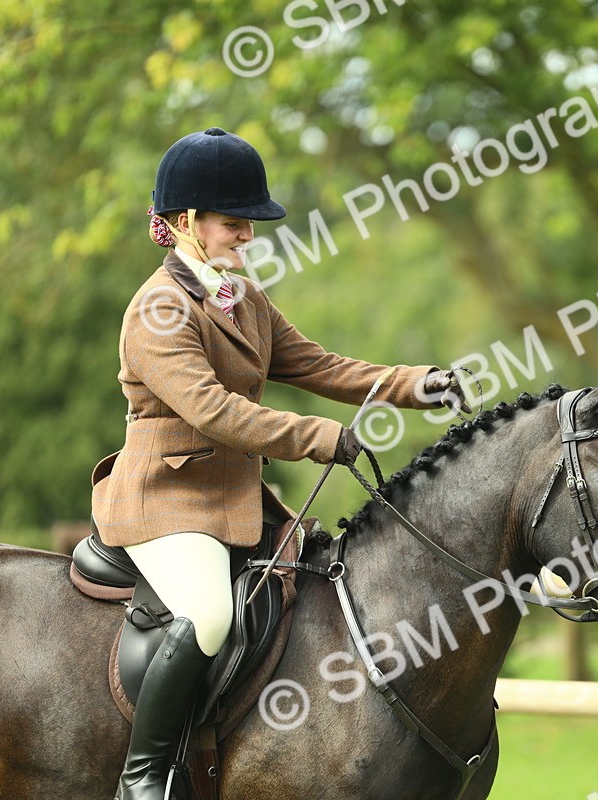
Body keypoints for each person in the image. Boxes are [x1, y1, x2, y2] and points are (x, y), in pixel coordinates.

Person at [91, 126, 466, 800]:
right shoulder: (158, 310)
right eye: (234, 223)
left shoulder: (242, 300)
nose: (248, 237)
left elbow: (319, 364)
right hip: (165, 502)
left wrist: (412, 383)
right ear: (184, 224)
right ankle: (141, 779)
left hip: (234, 501)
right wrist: (320, 438)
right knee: (208, 614)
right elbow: (213, 411)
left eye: (248, 224)